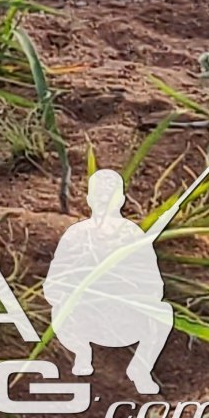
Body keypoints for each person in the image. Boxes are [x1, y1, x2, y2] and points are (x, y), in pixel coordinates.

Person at [45, 168, 173, 394]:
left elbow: (154, 284)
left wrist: (126, 287)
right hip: (83, 317)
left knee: (162, 313)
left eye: (109, 194)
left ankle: (140, 369)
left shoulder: (132, 235)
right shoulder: (76, 234)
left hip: (125, 317)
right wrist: (80, 287)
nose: (104, 199)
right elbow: (54, 282)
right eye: (99, 194)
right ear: (89, 199)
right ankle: (82, 353)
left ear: (121, 199)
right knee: (59, 309)